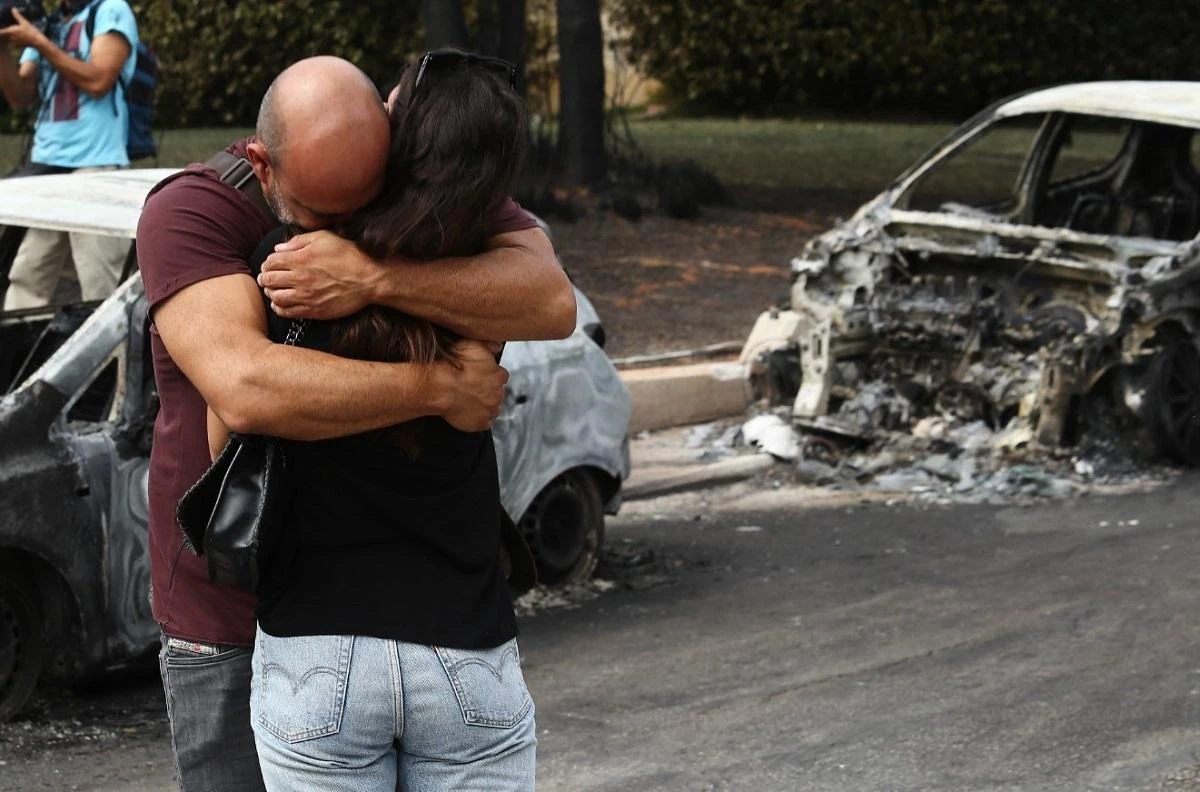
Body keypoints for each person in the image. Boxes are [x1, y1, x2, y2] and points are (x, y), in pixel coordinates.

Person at [135, 56, 575, 792]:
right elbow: (245, 390)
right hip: (226, 612)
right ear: (262, 165)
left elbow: (550, 302)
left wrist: (377, 277)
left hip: (356, 632)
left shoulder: (402, 178)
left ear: (388, 138)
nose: (346, 230)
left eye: (365, 202)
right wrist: (436, 388)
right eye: (319, 213)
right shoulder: (193, 211)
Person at [0, 0, 139, 309]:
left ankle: (111, 355)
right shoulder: (50, 23)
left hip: (96, 166)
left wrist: (38, 42)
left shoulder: (111, 10)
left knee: (101, 281)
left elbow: (99, 81)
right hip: (46, 166)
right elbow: (21, 96)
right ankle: (17, 352)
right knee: (26, 277)